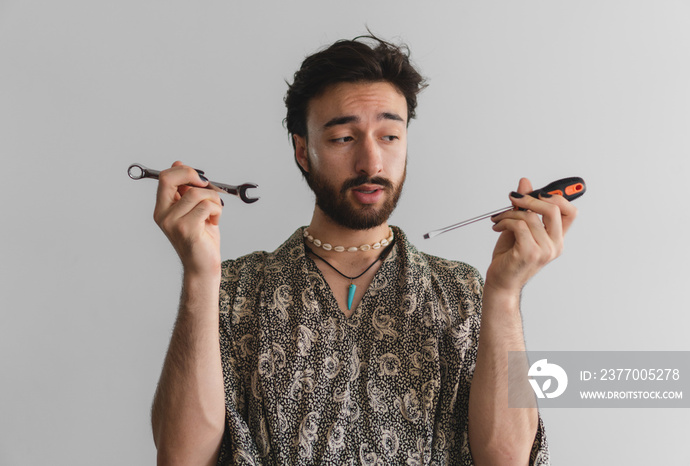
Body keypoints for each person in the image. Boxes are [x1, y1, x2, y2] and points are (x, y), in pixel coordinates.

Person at [150, 34, 577, 466]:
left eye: (390, 136)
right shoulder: (237, 291)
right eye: (342, 139)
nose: (371, 163)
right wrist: (200, 277)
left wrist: (504, 296)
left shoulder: (461, 291)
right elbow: (181, 457)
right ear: (303, 150)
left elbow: (507, 460)